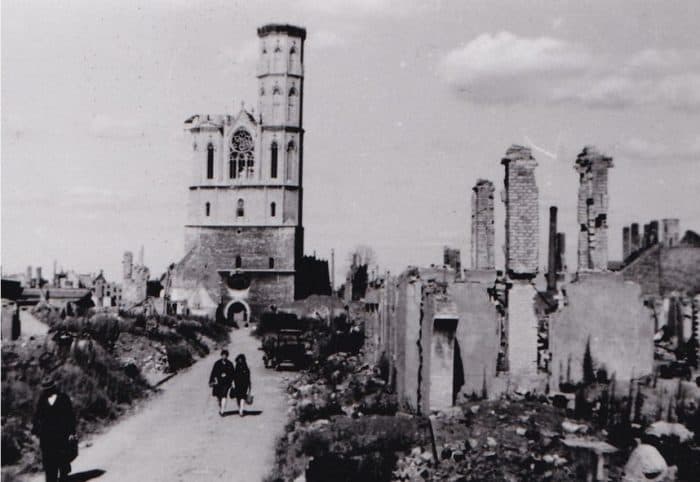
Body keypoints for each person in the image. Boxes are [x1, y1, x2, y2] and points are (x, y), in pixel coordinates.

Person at [32, 374, 77, 482]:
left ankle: (63, 476)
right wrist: (36, 431)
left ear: (54, 387)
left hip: (62, 434)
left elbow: (70, 416)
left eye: (50, 388)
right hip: (47, 437)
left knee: (62, 461)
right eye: (46, 389)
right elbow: (37, 417)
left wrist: (71, 432)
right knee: (49, 463)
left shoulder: (63, 398)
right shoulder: (42, 401)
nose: (48, 391)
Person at [209, 349, 235, 416]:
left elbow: (233, 374)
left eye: (225, 355)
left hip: (226, 383)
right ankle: (221, 405)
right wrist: (211, 381)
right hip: (218, 383)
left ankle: (222, 411)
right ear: (221, 355)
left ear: (227, 356)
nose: (224, 357)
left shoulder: (230, 364)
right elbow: (213, 372)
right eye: (223, 355)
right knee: (218, 396)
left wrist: (232, 382)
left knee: (224, 395)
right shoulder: (217, 363)